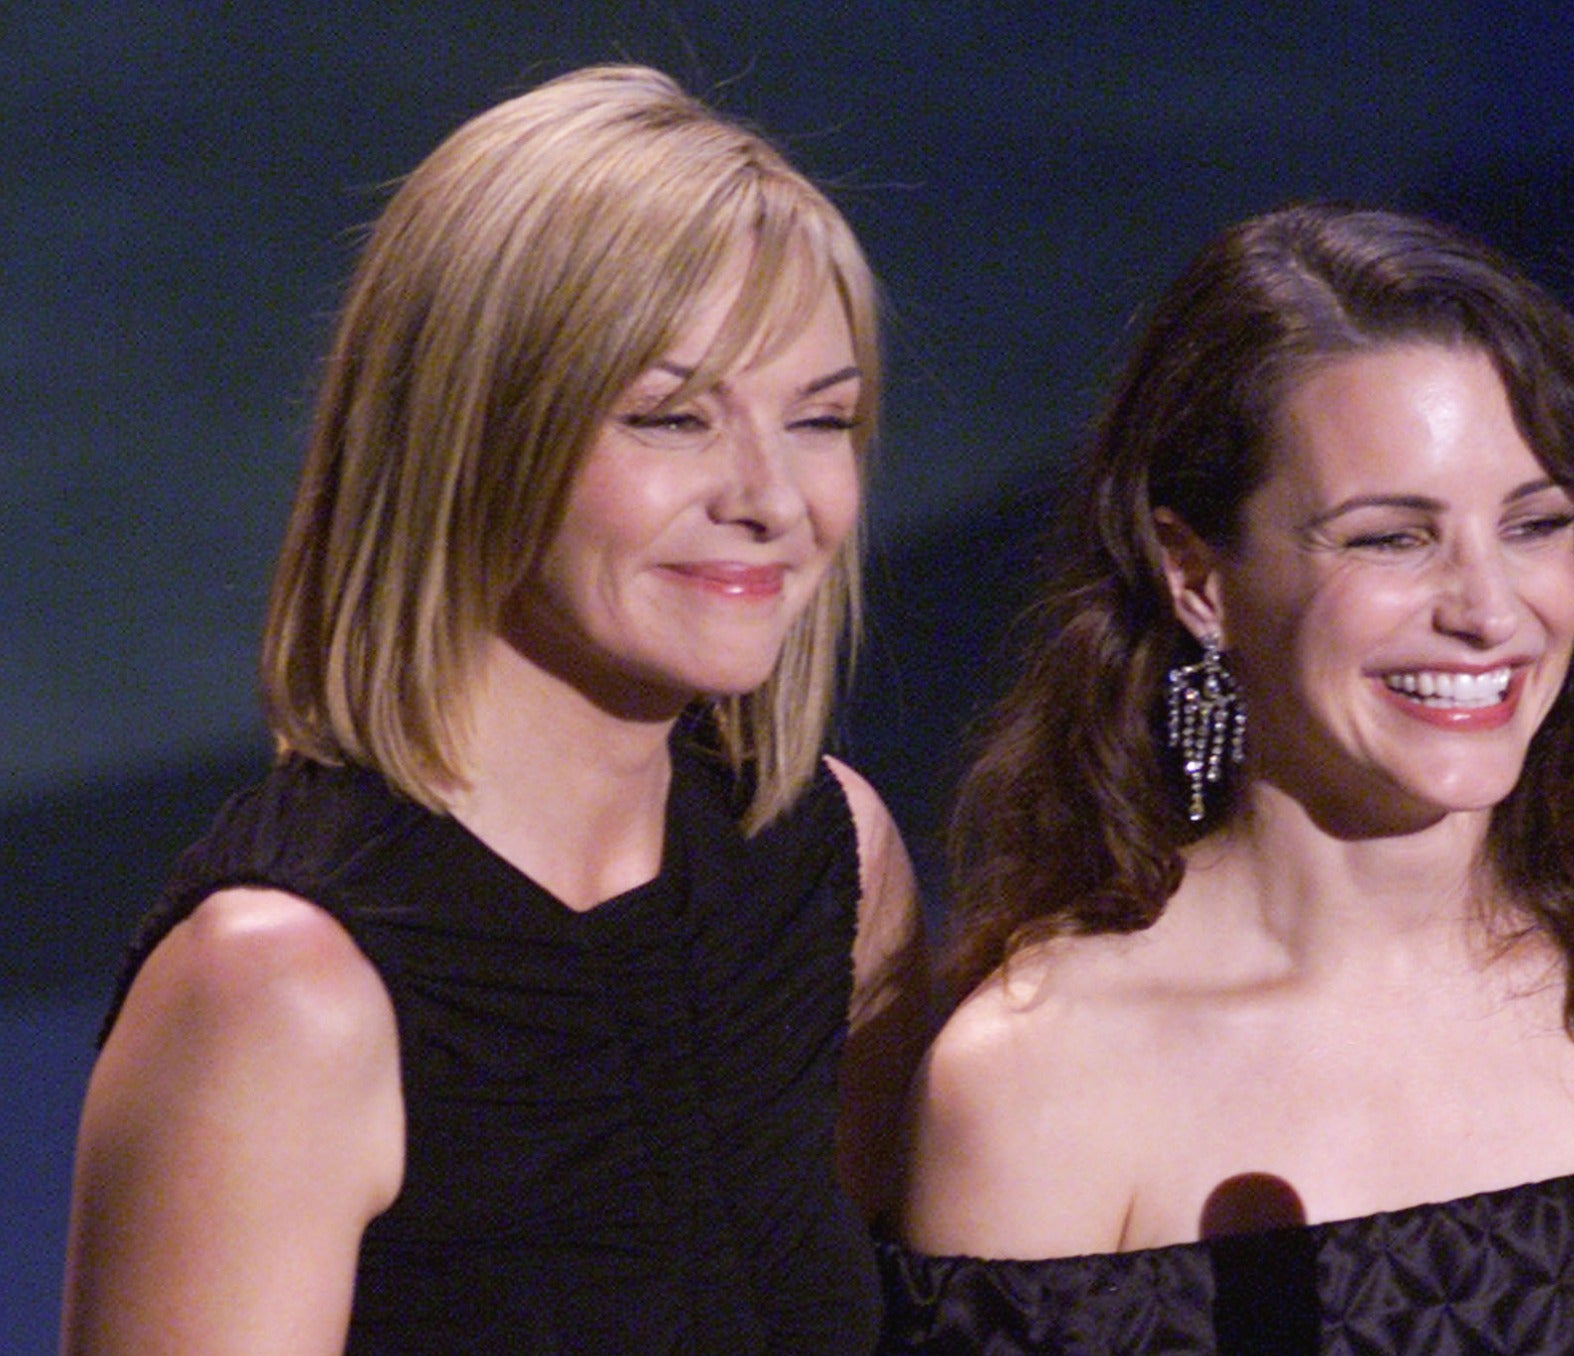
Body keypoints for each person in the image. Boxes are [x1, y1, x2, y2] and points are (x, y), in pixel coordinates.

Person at [881, 205, 1574, 1353]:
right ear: (1195, 577)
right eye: (1389, 538)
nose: (1486, 610)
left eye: (1533, 524)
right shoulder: (1044, 1080)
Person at [62, 64, 926, 1354]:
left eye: (819, 419)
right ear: (468, 434)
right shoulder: (282, 990)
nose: (772, 497)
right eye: (670, 415)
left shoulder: (830, 865)